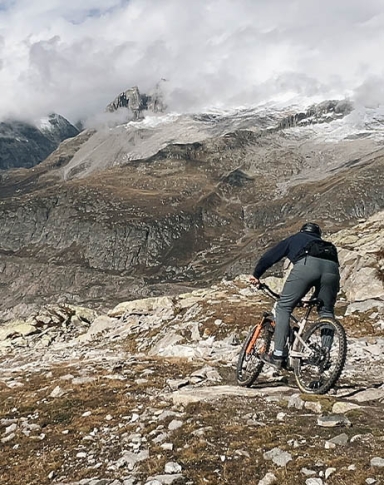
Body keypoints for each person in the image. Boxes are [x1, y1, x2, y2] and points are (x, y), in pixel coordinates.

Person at [249, 222, 340, 370]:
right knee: (326, 312)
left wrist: (256, 274)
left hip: (306, 266)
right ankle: (325, 355)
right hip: (332, 270)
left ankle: (278, 355)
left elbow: (270, 257)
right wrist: (314, 297)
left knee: (283, 306)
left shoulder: (295, 238)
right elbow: (324, 274)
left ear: (302, 231)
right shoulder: (326, 245)